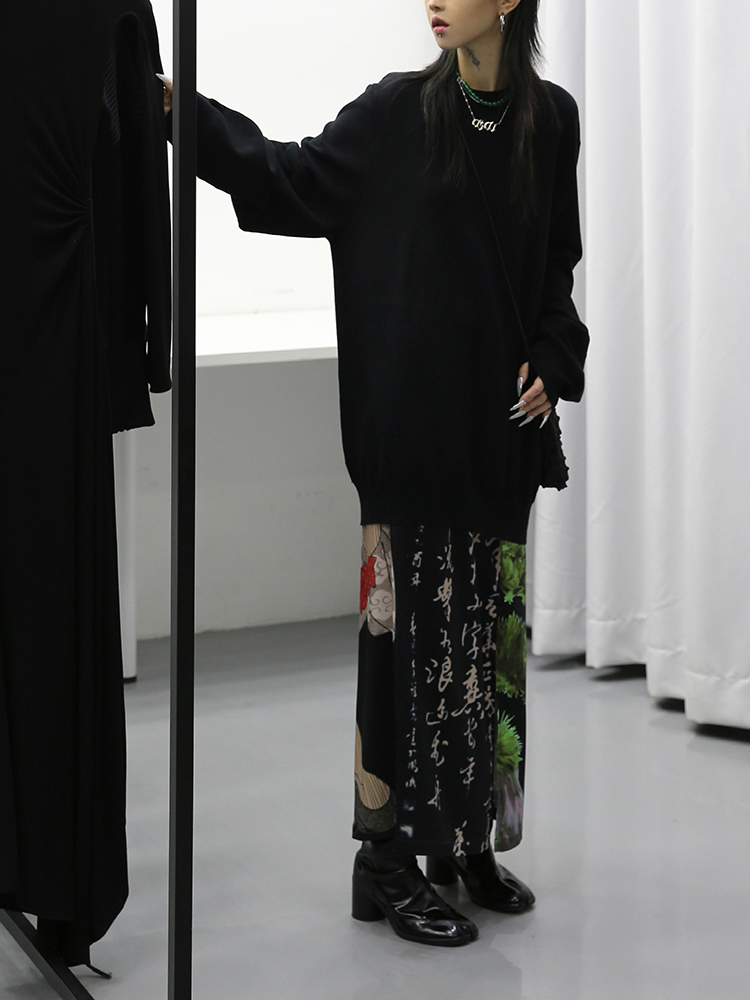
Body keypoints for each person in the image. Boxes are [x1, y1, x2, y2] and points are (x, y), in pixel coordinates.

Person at [163, 0, 588, 948]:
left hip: (497, 446)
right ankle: (384, 861)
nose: (432, 0)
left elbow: (556, 270)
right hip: (410, 443)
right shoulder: (397, 112)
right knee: (400, 655)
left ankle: (467, 842)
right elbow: (290, 176)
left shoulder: (550, 120)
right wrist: (186, 116)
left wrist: (555, 362)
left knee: (488, 652)